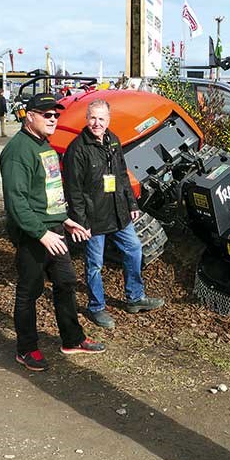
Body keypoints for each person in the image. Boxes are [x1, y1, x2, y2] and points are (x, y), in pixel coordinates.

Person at [0, 93, 106, 372]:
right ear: (29, 116)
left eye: (55, 115)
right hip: (33, 235)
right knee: (29, 292)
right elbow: (16, 202)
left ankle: (72, 339)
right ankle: (26, 349)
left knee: (66, 284)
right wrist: (40, 233)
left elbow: (47, 193)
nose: (53, 119)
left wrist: (65, 220)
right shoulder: (17, 152)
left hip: (55, 230)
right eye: (47, 115)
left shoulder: (43, 144)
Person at [62, 99, 164, 329]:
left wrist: (132, 204)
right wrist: (81, 222)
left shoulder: (113, 141)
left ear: (108, 120)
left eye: (101, 119)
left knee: (135, 250)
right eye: (93, 118)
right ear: (87, 118)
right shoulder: (77, 149)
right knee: (94, 264)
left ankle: (135, 298)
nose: (96, 123)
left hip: (118, 212)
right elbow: (73, 190)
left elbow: (122, 176)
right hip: (93, 218)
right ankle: (96, 307)